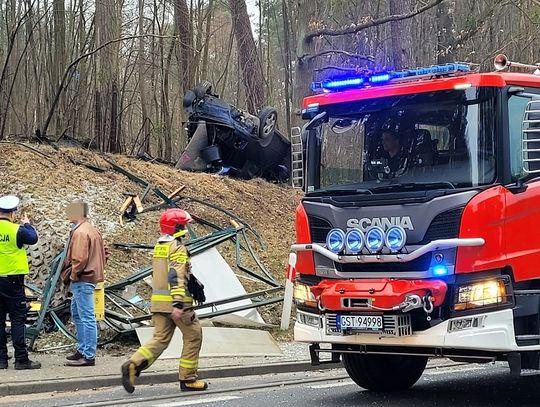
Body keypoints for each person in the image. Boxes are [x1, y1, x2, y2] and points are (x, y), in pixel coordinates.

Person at [121, 208, 207, 393]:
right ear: (176, 226)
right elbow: (175, 275)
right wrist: (177, 303)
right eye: (183, 224)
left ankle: (133, 365)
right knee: (194, 336)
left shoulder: (159, 246)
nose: (186, 226)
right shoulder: (177, 247)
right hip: (177, 304)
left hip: (158, 303)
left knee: (160, 339)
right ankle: (188, 379)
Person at [63, 200, 106, 367]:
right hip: (89, 277)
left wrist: (73, 275)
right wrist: (97, 266)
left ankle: (88, 355)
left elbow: (79, 259)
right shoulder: (92, 230)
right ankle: (82, 349)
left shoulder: (80, 232)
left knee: (86, 316)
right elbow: (105, 251)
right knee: (77, 313)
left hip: (82, 279)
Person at [0, 195, 41, 369]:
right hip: (13, 282)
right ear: (13, 213)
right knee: (17, 319)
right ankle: (21, 359)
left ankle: (1, 360)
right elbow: (33, 238)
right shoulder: (17, 229)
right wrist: (27, 223)